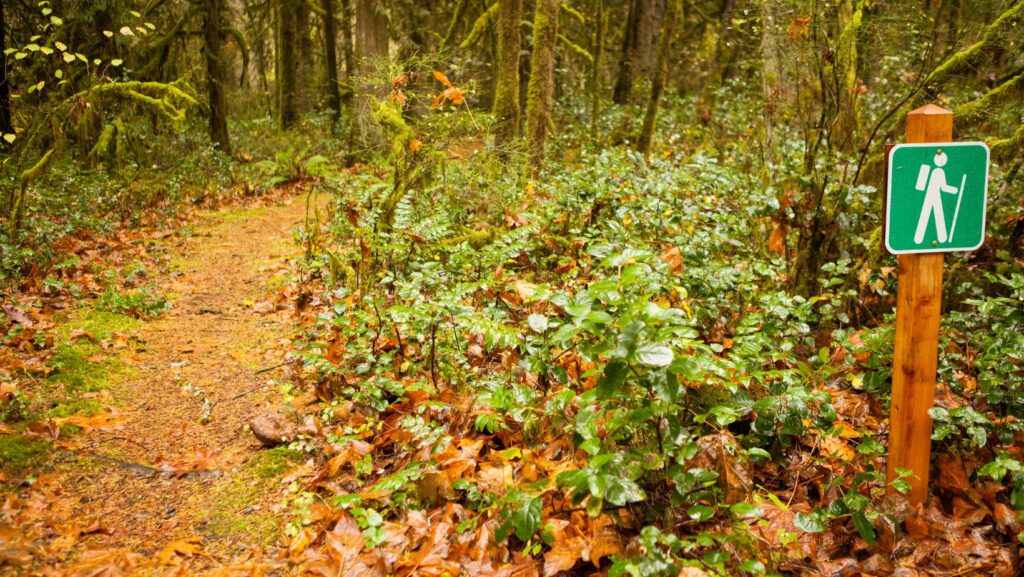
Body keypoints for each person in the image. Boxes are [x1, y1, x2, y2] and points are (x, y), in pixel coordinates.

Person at [914, 150, 959, 245]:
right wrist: (955, 190)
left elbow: (943, 187)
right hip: (929, 196)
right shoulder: (926, 167)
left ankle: (940, 238)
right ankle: (920, 238)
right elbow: (920, 186)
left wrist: (954, 190)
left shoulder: (939, 171)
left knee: (935, 216)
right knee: (929, 215)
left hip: (935, 197)